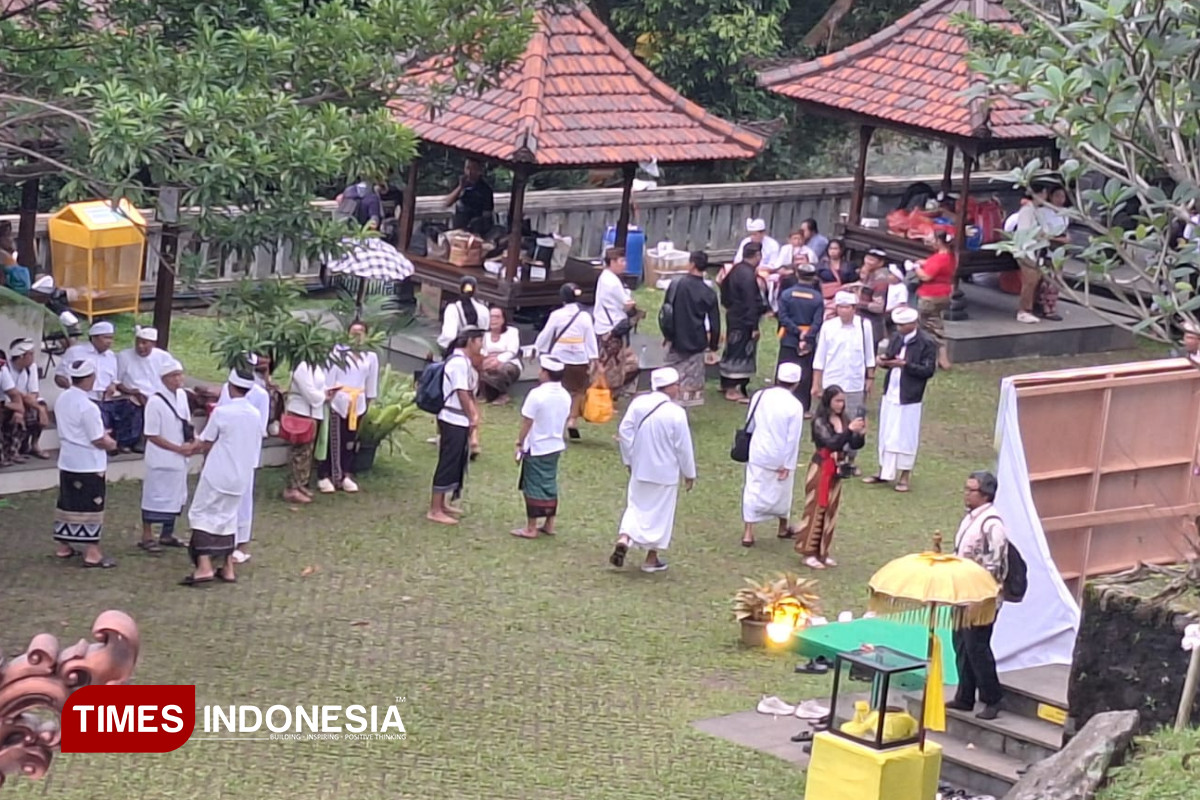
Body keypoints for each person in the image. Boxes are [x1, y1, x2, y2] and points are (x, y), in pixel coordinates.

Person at [609, 367, 696, 574]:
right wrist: (689, 473)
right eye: (675, 385)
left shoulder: (639, 403)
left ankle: (625, 538)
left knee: (635, 506)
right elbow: (683, 447)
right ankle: (651, 558)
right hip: (665, 473)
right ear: (669, 387)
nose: (678, 388)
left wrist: (630, 458)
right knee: (661, 515)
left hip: (640, 468)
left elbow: (625, 430)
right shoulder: (676, 413)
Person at [183, 367, 264, 586]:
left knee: (200, 514)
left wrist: (189, 448)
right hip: (241, 475)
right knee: (228, 518)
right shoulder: (255, 414)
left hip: (218, 473)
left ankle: (204, 566)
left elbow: (206, 442)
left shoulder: (222, 413)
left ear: (230, 387)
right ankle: (227, 567)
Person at [950, 470, 1009, 720]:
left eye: (971, 490)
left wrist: (981, 598)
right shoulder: (971, 519)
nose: (966, 494)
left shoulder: (992, 525)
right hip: (963, 594)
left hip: (981, 598)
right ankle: (965, 695)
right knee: (961, 644)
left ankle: (992, 697)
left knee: (977, 647)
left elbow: (995, 566)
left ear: (985, 494)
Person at [864, 307, 937, 492]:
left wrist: (906, 365)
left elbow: (928, 370)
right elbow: (891, 358)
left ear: (913, 324)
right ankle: (884, 471)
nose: (899, 328)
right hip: (891, 391)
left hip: (910, 396)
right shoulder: (896, 338)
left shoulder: (926, 342)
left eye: (903, 325)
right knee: (887, 432)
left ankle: (904, 476)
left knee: (906, 436)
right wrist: (884, 361)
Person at [52, 359, 117, 568]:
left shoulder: (62, 398)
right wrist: (112, 443)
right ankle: (92, 552)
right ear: (90, 378)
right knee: (91, 505)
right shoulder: (88, 407)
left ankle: (64, 545)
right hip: (88, 463)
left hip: (68, 460)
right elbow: (97, 439)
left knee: (68, 501)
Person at [794, 386, 866, 569]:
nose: (841, 405)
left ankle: (822, 552)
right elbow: (831, 443)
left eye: (842, 401)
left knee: (830, 510)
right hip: (821, 468)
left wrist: (859, 435)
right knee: (815, 508)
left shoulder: (843, 419)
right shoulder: (819, 421)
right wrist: (849, 430)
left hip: (836, 469)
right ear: (829, 401)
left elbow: (852, 444)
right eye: (837, 401)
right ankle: (808, 551)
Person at [740, 363, 805, 547]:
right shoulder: (795, 406)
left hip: (759, 450)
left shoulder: (760, 396)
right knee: (783, 492)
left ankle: (748, 532)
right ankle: (782, 527)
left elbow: (751, 423)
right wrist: (788, 464)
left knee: (753, 488)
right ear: (796, 383)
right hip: (780, 454)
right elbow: (793, 439)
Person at [812, 291, 875, 473]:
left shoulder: (864, 326)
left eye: (847, 307)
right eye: (840, 307)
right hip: (833, 380)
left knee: (854, 420)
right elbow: (820, 357)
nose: (843, 311)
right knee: (831, 420)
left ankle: (850, 459)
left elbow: (869, 354)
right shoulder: (828, 327)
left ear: (854, 309)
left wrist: (870, 378)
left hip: (854, 382)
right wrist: (816, 383)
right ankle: (832, 457)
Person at [511, 355, 572, 539]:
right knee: (549, 483)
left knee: (532, 486)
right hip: (555, 445)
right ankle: (549, 524)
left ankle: (531, 527)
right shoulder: (565, 395)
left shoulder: (536, 394)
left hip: (537, 446)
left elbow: (527, 422)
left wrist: (520, 442)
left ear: (546, 373)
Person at [427, 327, 483, 525]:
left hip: (458, 418)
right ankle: (435, 509)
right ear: (470, 341)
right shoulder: (459, 363)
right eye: (479, 340)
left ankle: (442, 503)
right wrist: (472, 415)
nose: (481, 345)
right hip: (453, 418)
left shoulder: (463, 361)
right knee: (448, 461)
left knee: (455, 461)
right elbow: (462, 392)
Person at [218, 356, 271, 563]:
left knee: (243, 498)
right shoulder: (226, 388)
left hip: (246, 454)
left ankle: (242, 544)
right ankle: (222, 540)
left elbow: (260, 428)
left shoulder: (261, 395)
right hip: (225, 453)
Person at [139, 357, 193, 553]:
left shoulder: (182, 396)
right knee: (154, 495)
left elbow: (186, 422)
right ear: (164, 378)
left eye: (180, 374)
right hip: (161, 458)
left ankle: (167, 534)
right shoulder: (155, 401)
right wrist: (176, 448)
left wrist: (190, 442)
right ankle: (147, 535)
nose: (178, 379)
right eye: (173, 376)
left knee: (176, 496)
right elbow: (151, 434)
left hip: (179, 458)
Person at [56, 321, 135, 450]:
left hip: (106, 398)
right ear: (94, 337)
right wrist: (73, 388)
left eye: (111, 338)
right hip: (83, 398)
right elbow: (59, 376)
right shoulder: (75, 352)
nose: (109, 342)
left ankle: (121, 444)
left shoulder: (111, 356)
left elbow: (114, 380)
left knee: (130, 407)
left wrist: (112, 386)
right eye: (106, 338)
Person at [320, 324, 380, 493]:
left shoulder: (370, 356)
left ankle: (346, 473)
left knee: (350, 441)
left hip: (358, 403)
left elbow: (371, 383)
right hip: (338, 401)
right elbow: (329, 380)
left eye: (360, 333)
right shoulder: (337, 354)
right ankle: (326, 475)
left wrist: (368, 401)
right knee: (334, 439)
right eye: (353, 333)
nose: (356, 337)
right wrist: (328, 397)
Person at [534, 283, 598, 440]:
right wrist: (593, 357)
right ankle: (572, 420)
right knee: (578, 391)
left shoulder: (556, 315)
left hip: (559, 357)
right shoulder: (585, 317)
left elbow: (546, 334)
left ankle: (555, 422)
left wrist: (538, 348)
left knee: (557, 389)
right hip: (579, 359)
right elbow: (590, 337)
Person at [662, 251, 721, 408]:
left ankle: (666, 403)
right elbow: (715, 323)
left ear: (692, 264)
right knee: (690, 381)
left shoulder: (677, 285)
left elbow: (666, 311)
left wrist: (666, 334)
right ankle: (683, 408)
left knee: (671, 375)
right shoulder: (708, 293)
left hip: (675, 337)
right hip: (696, 340)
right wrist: (713, 346)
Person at [282, 357, 335, 504]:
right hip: (300, 413)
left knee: (307, 452)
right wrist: (324, 396)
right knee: (299, 452)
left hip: (313, 414)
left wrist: (328, 392)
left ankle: (300, 483)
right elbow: (310, 393)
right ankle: (292, 488)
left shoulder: (316, 366)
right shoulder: (301, 367)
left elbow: (320, 386)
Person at [114, 326, 176, 450]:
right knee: (134, 404)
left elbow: (172, 377)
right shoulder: (124, 356)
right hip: (131, 394)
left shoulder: (163, 357)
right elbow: (117, 381)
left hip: (158, 395)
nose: (140, 346)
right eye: (138, 342)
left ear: (153, 344)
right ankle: (130, 441)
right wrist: (132, 391)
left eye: (144, 343)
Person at [720, 242, 766, 403]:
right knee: (740, 352)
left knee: (731, 349)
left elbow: (723, 288)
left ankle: (726, 383)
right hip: (744, 320)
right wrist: (754, 326)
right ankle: (732, 388)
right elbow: (750, 301)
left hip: (734, 316)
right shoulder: (747, 275)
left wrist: (729, 306)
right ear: (757, 256)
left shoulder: (736, 269)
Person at [1014, 182, 1066, 325]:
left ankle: (1031, 307)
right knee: (1030, 281)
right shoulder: (1027, 210)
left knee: (1036, 280)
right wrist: (1041, 235)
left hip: (1036, 250)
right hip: (1026, 249)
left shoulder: (1036, 210)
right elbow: (1024, 231)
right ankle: (1024, 311)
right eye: (1044, 193)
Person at [776, 263, 825, 415]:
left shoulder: (787, 294)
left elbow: (783, 317)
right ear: (813, 277)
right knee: (805, 373)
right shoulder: (817, 298)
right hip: (808, 341)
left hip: (789, 338)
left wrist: (797, 332)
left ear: (797, 274)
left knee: (785, 368)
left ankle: (780, 402)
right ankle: (802, 407)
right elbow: (818, 321)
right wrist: (807, 335)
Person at [593, 247, 640, 400]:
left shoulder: (606, 277)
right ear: (612, 262)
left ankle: (608, 395)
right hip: (612, 329)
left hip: (605, 327)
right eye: (622, 261)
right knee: (615, 368)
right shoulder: (612, 282)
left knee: (611, 365)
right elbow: (628, 304)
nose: (625, 264)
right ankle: (607, 397)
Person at [914, 231, 956, 370]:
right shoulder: (950, 256)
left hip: (930, 296)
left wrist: (916, 268)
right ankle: (940, 358)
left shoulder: (940, 258)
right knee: (935, 324)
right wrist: (924, 262)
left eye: (932, 239)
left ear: (939, 241)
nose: (929, 241)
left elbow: (926, 276)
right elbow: (937, 267)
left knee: (927, 326)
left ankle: (934, 357)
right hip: (943, 294)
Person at [3, 338, 48, 460]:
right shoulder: (5, 368)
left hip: (25, 402)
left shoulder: (31, 367)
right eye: (31, 354)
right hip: (8, 403)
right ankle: (12, 450)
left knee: (41, 406)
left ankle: (34, 444)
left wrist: (39, 408)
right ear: (22, 356)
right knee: (16, 413)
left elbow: (34, 392)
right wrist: (20, 407)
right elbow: (12, 393)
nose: (33, 357)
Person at [480, 307, 522, 405]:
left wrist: (498, 360)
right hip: (488, 361)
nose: (493, 320)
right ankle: (484, 394)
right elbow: (482, 350)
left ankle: (503, 394)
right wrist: (487, 359)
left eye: (497, 317)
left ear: (503, 319)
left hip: (509, 363)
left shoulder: (512, 331)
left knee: (503, 368)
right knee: (480, 368)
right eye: (491, 317)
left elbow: (512, 351)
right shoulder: (484, 334)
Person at [437, 275, 491, 350]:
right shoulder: (484, 310)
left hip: (458, 350)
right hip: (477, 350)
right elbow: (485, 333)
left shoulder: (453, 308)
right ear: (476, 290)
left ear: (459, 288)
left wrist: (439, 345)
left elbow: (449, 335)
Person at [445, 158, 495, 234]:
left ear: (480, 171)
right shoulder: (460, 184)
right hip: (458, 228)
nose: (469, 172)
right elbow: (447, 203)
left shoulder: (486, 190)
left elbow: (487, 217)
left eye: (473, 169)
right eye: (467, 168)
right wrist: (460, 187)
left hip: (476, 229)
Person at [854, 250, 892, 343]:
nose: (868, 262)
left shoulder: (880, 279)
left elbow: (878, 307)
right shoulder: (869, 274)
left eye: (872, 260)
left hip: (872, 322)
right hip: (860, 318)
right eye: (867, 258)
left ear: (880, 263)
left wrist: (857, 302)